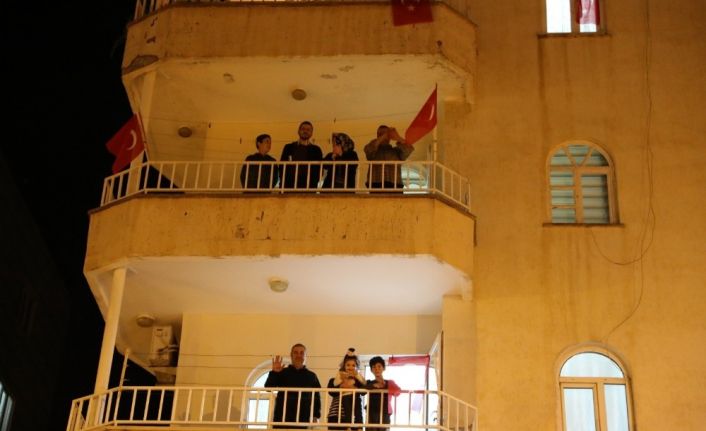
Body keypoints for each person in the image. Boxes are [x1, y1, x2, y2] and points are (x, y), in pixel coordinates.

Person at [265, 343, 322, 428]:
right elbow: (268, 388)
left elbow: (316, 397)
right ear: (291, 355)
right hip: (282, 418)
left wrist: (316, 415)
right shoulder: (282, 372)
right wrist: (274, 373)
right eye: (295, 352)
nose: (298, 355)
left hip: (303, 419)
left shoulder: (312, 376)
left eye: (302, 353)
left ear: (305, 356)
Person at [363, 125, 414, 190]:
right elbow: (368, 149)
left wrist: (398, 137)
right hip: (375, 183)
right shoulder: (373, 151)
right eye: (380, 134)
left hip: (395, 184)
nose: (382, 135)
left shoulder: (396, 151)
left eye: (385, 133)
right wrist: (383, 137)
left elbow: (409, 149)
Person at [327, 348, 365, 430]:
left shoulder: (357, 381)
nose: (350, 368)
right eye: (348, 365)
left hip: (353, 417)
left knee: (356, 416)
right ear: (344, 366)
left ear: (356, 367)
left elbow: (364, 390)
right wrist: (342, 384)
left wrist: (354, 383)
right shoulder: (334, 380)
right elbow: (331, 391)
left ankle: (359, 426)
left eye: (353, 365)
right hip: (335, 415)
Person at [280, 121, 323, 189]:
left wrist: (314, 182)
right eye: (303, 129)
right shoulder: (288, 147)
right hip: (288, 185)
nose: (305, 131)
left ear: (311, 133)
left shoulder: (316, 150)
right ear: (298, 131)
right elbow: (282, 166)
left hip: (309, 186)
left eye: (308, 130)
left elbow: (319, 169)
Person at [365, 356, 401, 431]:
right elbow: (362, 390)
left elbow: (398, 392)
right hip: (372, 413)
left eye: (379, 366)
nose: (376, 369)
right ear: (371, 370)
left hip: (385, 413)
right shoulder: (369, 383)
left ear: (383, 368)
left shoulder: (389, 382)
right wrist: (373, 385)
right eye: (374, 367)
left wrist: (385, 384)